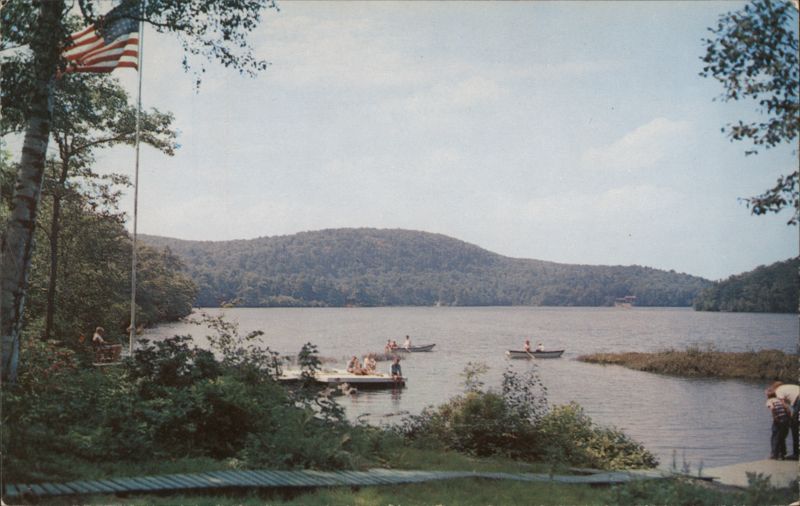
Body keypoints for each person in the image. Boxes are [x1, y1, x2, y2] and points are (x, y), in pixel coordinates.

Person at [776, 382, 800, 460]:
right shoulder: (788, 388)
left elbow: (785, 406)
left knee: (794, 426)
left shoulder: (778, 391)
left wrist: (790, 416)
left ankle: (796, 454)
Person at [766, 386, 791, 459]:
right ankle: (782, 453)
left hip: (778, 419)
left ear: (768, 396)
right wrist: (789, 418)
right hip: (786, 419)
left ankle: (774, 454)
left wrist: (775, 417)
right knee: (782, 437)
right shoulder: (779, 400)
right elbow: (787, 408)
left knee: (775, 436)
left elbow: (772, 408)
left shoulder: (769, 401)